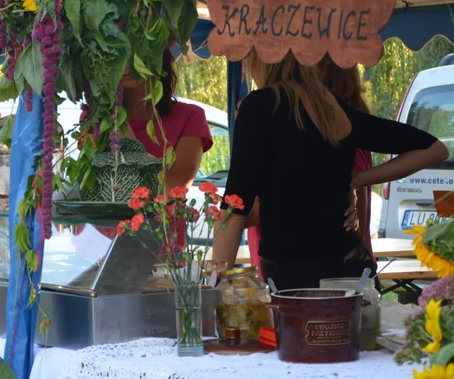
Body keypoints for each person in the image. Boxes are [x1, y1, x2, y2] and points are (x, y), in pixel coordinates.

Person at [211, 52, 447, 290]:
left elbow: (235, 210)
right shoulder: (330, 105)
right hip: (352, 273)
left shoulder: (259, 105)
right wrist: (356, 180)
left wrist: (212, 291)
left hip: (295, 280)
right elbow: (435, 149)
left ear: (263, 55)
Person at [245, 58, 375, 277]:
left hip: (329, 275)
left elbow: (337, 208)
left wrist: (227, 211)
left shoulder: (336, 133)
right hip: (305, 270)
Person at [120, 48, 212, 193]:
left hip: (162, 216)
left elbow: (175, 187)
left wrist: (130, 145)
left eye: (135, 55)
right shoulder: (98, 118)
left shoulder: (191, 116)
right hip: (109, 216)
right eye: (118, 56)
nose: (126, 65)